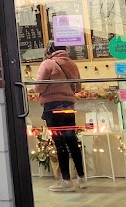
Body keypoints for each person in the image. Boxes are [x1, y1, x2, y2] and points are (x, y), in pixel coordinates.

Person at [34, 43, 87, 192]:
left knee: (60, 143)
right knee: (72, 141)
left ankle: (66, 181)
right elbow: (78, 88)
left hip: (52, 106)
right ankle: (81, 178)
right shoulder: (72, 64)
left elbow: (38, 87)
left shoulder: (48, 64)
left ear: (50, 50)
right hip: (69, 106)